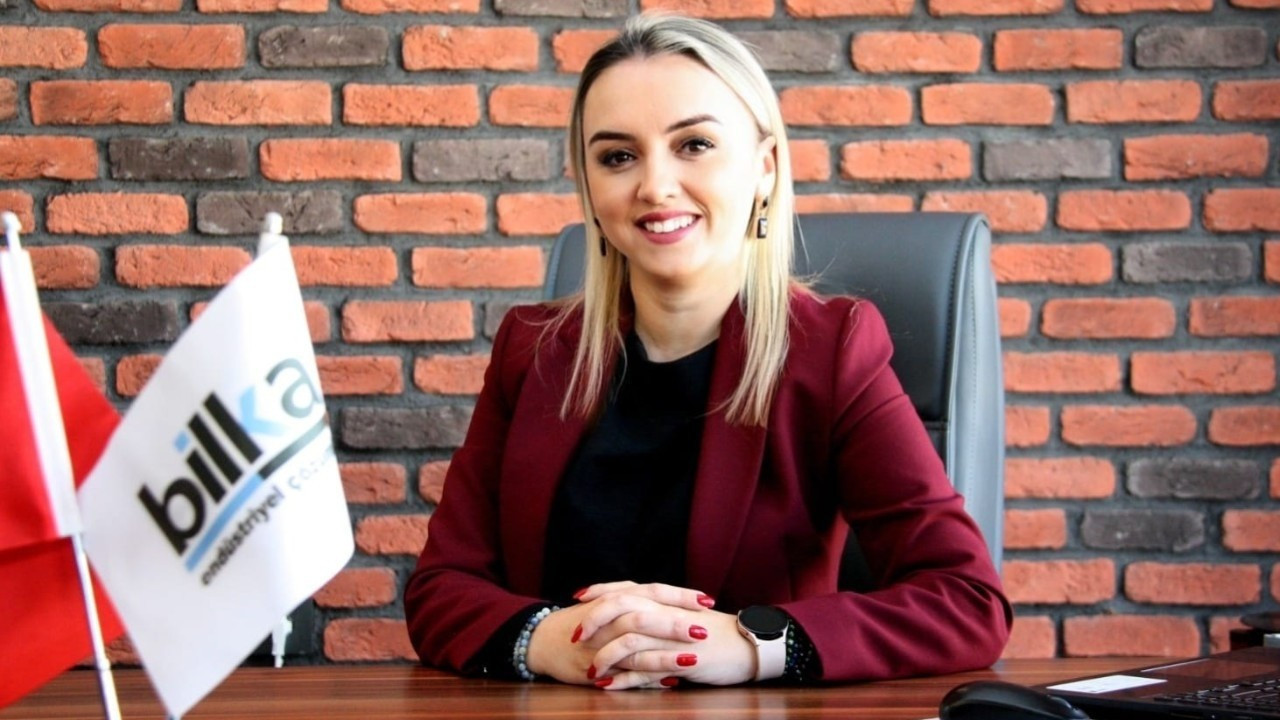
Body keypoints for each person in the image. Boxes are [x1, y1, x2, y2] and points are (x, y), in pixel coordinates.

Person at [404, 13, 1011, 690]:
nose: (655, 186)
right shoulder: (534, 351)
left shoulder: (831, 352)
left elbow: (967, 601)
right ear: (590, 189)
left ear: (764, 167)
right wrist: (549, 640)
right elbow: (441, 589)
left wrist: (751, 643)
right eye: (618, 157)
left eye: (693, 144)